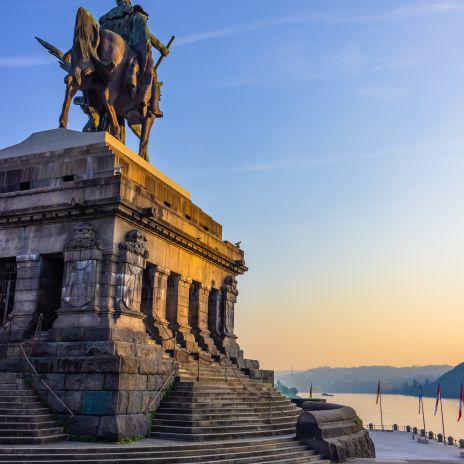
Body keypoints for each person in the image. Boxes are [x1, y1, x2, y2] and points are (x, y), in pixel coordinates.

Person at [99, 0, 169, 117]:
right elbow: (146, 33)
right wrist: (162, 48)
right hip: (133, 49)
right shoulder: (134, 12)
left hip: (107, 53)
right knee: (151, 74)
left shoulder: (106, 18)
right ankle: (154, 107)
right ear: (128, 1)